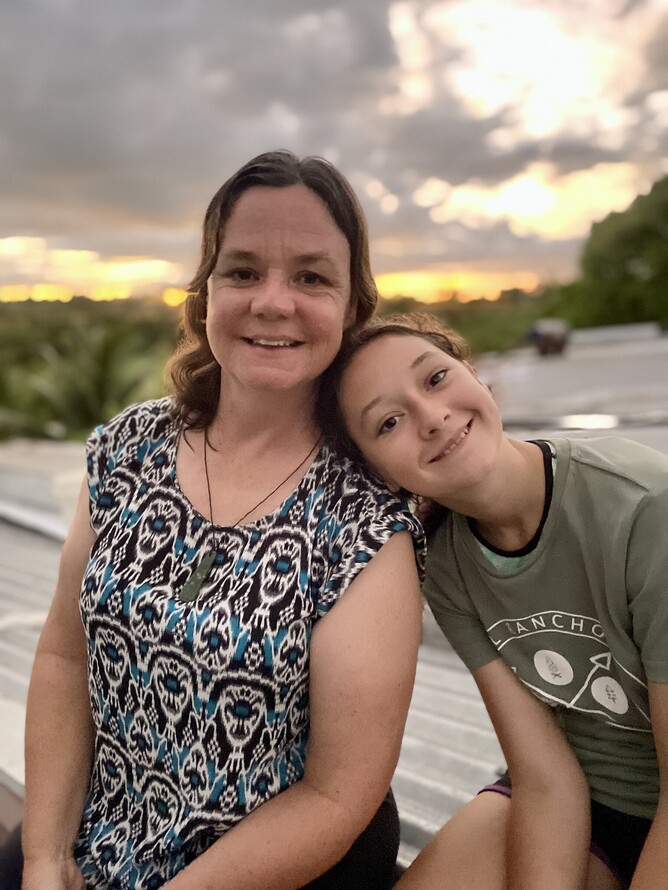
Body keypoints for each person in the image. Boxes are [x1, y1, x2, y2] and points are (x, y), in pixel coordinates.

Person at [16, 152, 425, 890]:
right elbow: (63, 658)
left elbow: (338, 793)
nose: (273, 302)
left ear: (352, 307)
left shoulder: (368, 519)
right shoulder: (126, 449)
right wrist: (45, 856)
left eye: (310, 276)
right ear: (204, 294)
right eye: (241, 272)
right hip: (97, 836)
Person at [325, 312, 668, 890]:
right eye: (388, 421)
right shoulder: (445, 563)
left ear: (479, 378)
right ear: (378, 474)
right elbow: (543, 773)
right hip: (576, 789)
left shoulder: (639, 508)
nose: (432, 419)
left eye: (434, 379)